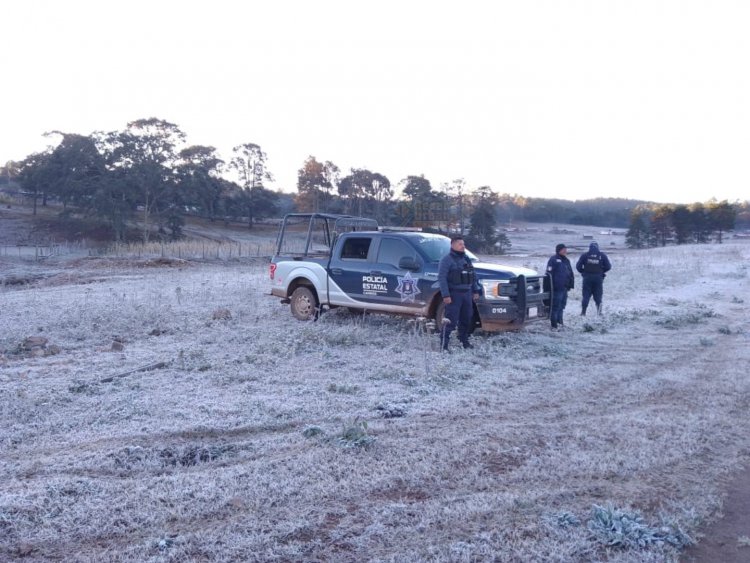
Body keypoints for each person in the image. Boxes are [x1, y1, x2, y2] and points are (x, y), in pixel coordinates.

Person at [438, 236, 480, 351]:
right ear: (453, 245)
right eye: (460, 244)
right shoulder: (446, 260)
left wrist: (475, 290)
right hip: (454, 294)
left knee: (466, 319)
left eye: (464, 244)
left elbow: (473, 276)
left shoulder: (466, 259)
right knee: (451, 320)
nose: (463, 246)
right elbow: (442, 278)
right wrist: (446, 295)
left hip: (467, 294)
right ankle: (444, 345)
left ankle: (464, 341)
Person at [576, 241, 612, 315]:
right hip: (598, 278)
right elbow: (608, 267)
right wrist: (601, 272)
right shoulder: (602, 255)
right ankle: (599, 312)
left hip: (587, 278)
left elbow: (578, 266)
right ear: (597, 247)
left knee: (586, 295)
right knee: (598, 296)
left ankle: (583, 312)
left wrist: (583, 272)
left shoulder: (585, 255)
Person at [546, 243, 575, 330]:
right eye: (563, 249)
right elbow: (548, 274)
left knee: (562, 306)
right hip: (556, 288)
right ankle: (554, 325)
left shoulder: (566, 260)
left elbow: (570, 272)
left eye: (566, 249)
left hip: (565, 288)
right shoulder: (553, 259)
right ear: (559, 250)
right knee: (555, 307)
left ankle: (560, 323)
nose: (565, 251)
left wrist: (570, 283)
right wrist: (550, 287)